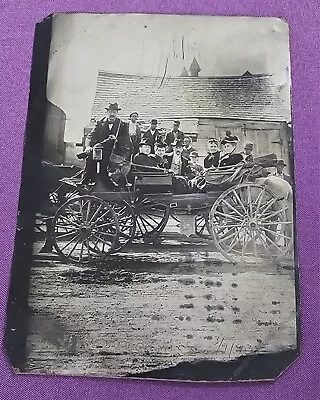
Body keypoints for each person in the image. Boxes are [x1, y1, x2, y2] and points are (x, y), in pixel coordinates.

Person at [80, 103, 131, 186]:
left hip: (115, 153)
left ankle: (106, 183)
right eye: (110, 112)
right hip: (100, 151)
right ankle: (85, 181)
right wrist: (88, 146)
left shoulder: (122, 125)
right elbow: (90, 136)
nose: (112, 114)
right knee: (90, 157)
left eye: (114, 112)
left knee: (104, 162)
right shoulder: (100, 123)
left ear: (117, 113)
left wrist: (117, 142)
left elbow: (126, 141)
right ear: (107, 112)